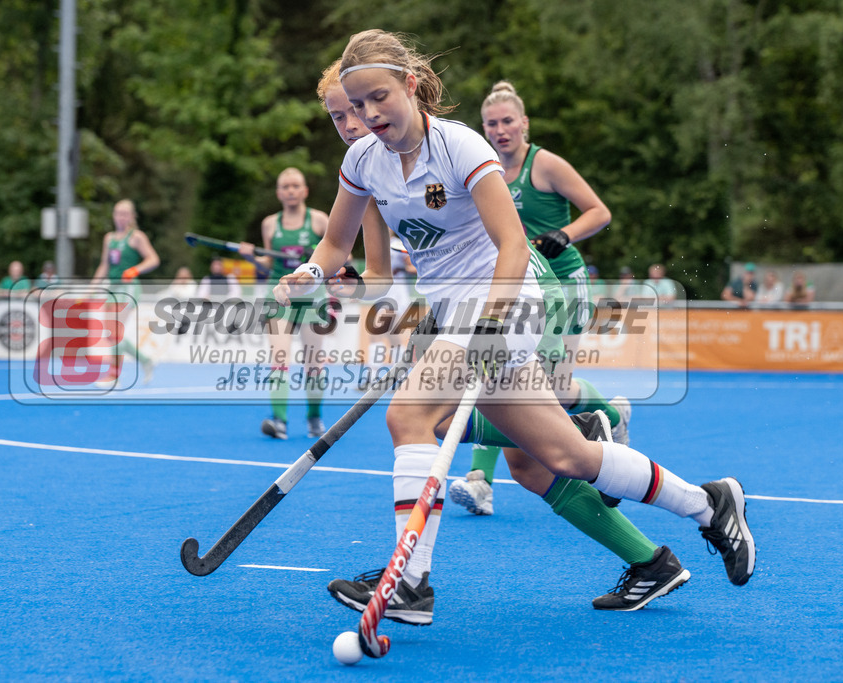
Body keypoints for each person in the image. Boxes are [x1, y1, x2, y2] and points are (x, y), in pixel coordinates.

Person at [278, 29, 754, 625]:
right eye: (357, 105)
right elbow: (332, 243)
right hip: (455, 313)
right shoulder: (362, 161)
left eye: (379, 98)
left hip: (509, 298)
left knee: (409, 415)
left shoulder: (461, 148)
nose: (369, 115)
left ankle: (411, 584)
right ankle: (708, 504)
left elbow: (511, 244)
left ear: (411, 85)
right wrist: (308, 274)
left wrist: (494, 322)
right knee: (568, 456)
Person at [448, 80, 629, 517]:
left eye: (508, 121)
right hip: (519, 286)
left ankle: (609, 413)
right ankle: (479, 482)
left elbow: (600, 212)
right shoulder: (482, 169)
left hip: (563, 284)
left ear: (524, 123)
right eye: (492, 124)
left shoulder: (544, 164)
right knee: (497, 377)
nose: (500, 130)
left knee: (550, 388)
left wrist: (564, 235)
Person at [238, 168, 330, 440]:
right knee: (279, 357)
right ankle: (279, 421)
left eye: (295, 186)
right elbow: (267, 264)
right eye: (285, 186)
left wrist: (313, 257)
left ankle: (314, 418)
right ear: (279, 193)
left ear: (305, 191)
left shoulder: (319, 221)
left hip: (313, 297)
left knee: (314, 362)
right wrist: (251, 257)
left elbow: (340, 252)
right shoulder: (269, 224)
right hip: (280, 296)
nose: (290, 190)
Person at [92, 199, 161, 382]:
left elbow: (153, 259)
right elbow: (104, 266)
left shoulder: (136, 237)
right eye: (117, 213)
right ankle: (146, 360)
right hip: (113, 288)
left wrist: (136, 269)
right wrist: (91, 289)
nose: (120, 217)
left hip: (129, 288)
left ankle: (113, 375)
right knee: (111, 334)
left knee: (115, 332)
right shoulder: (109, 238)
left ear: (131, 216)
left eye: (124, 213)